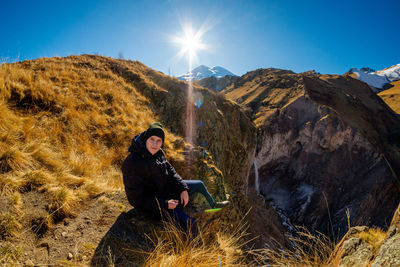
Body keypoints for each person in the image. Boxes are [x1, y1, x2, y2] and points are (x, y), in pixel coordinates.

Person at [121, 122, 229, 236]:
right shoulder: (132, 163)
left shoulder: (158, 154)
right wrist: (166, 204)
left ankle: (214, 205)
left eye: (159, 141)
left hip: (165, 191)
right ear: (146, 139)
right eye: (152, 139)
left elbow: (172, 172)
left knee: (199, 184)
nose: (155, 144)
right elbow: (136, 200)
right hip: (155, 206)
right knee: (191, 224)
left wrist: (182, 188)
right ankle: (198, 250)